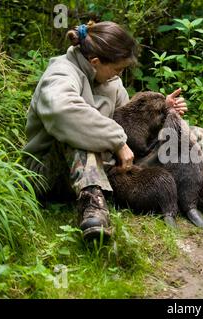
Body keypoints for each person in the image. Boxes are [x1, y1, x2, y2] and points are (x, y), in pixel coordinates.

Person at [23, 21, 186, 241]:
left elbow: (127, 123)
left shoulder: (111, 82)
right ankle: (93, 208)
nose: (119, 75)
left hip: (103, 167)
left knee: (179, 131)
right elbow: (62, 111)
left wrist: (161, 110)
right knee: (80, 135)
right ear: (96, 62)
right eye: (117, 68)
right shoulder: (60, 73)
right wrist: (117, 141)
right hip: (46, 174)